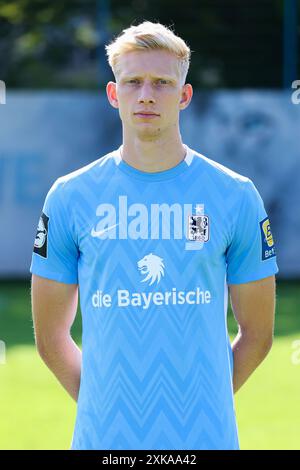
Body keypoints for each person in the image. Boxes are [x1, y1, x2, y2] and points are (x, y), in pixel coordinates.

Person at [30, 21, 278, 451]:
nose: (147, 94)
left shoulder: (234, 195)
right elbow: (51, 337)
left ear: (184, 96)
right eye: (134, 82)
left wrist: (206, 407)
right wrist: (102, 408)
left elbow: (257, 333)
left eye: (162, 83)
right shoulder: (70, 196)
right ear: (114, 94)